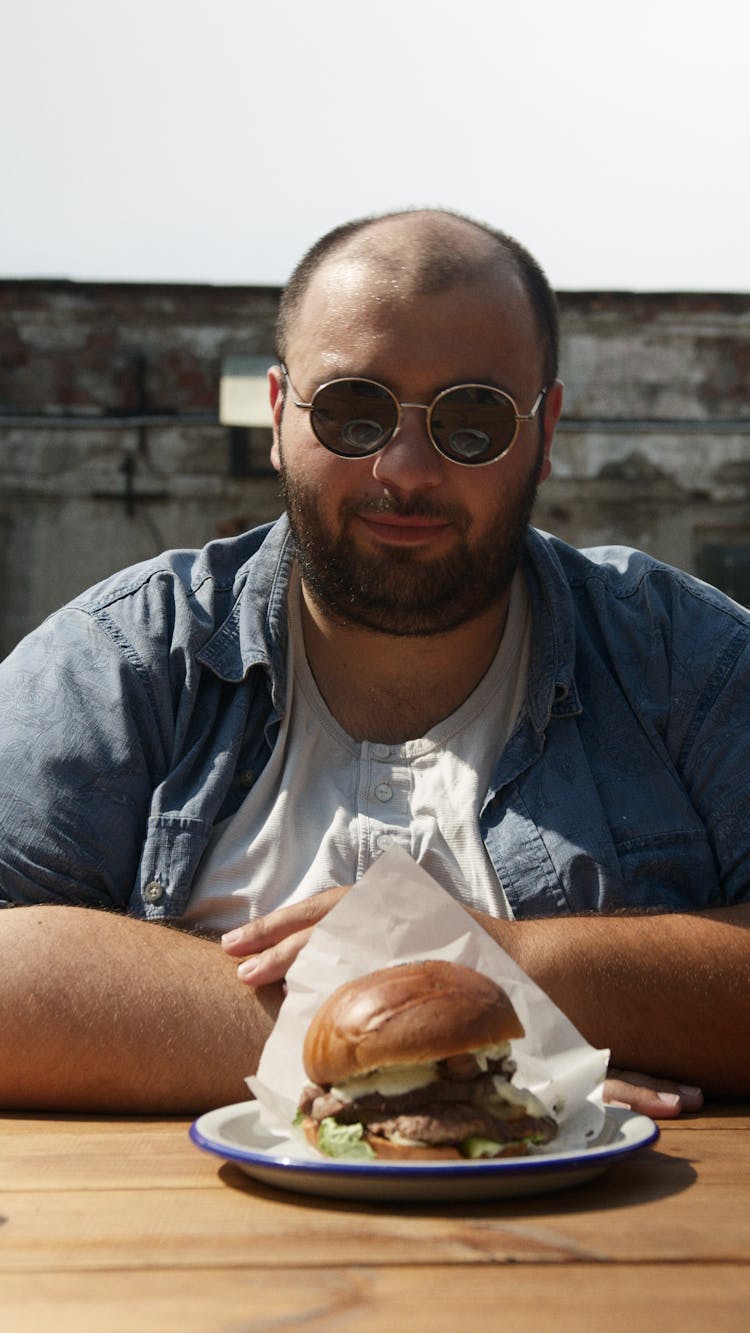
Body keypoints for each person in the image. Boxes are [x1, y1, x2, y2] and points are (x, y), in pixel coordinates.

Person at [0, 208, 748, 1118]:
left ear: (546, 432)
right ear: (280, 415)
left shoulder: (684, 658)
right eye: (356, 411)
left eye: (472, 420)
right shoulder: (131, 658)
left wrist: (499, 960)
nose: (407, 467)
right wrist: (451, 1048)